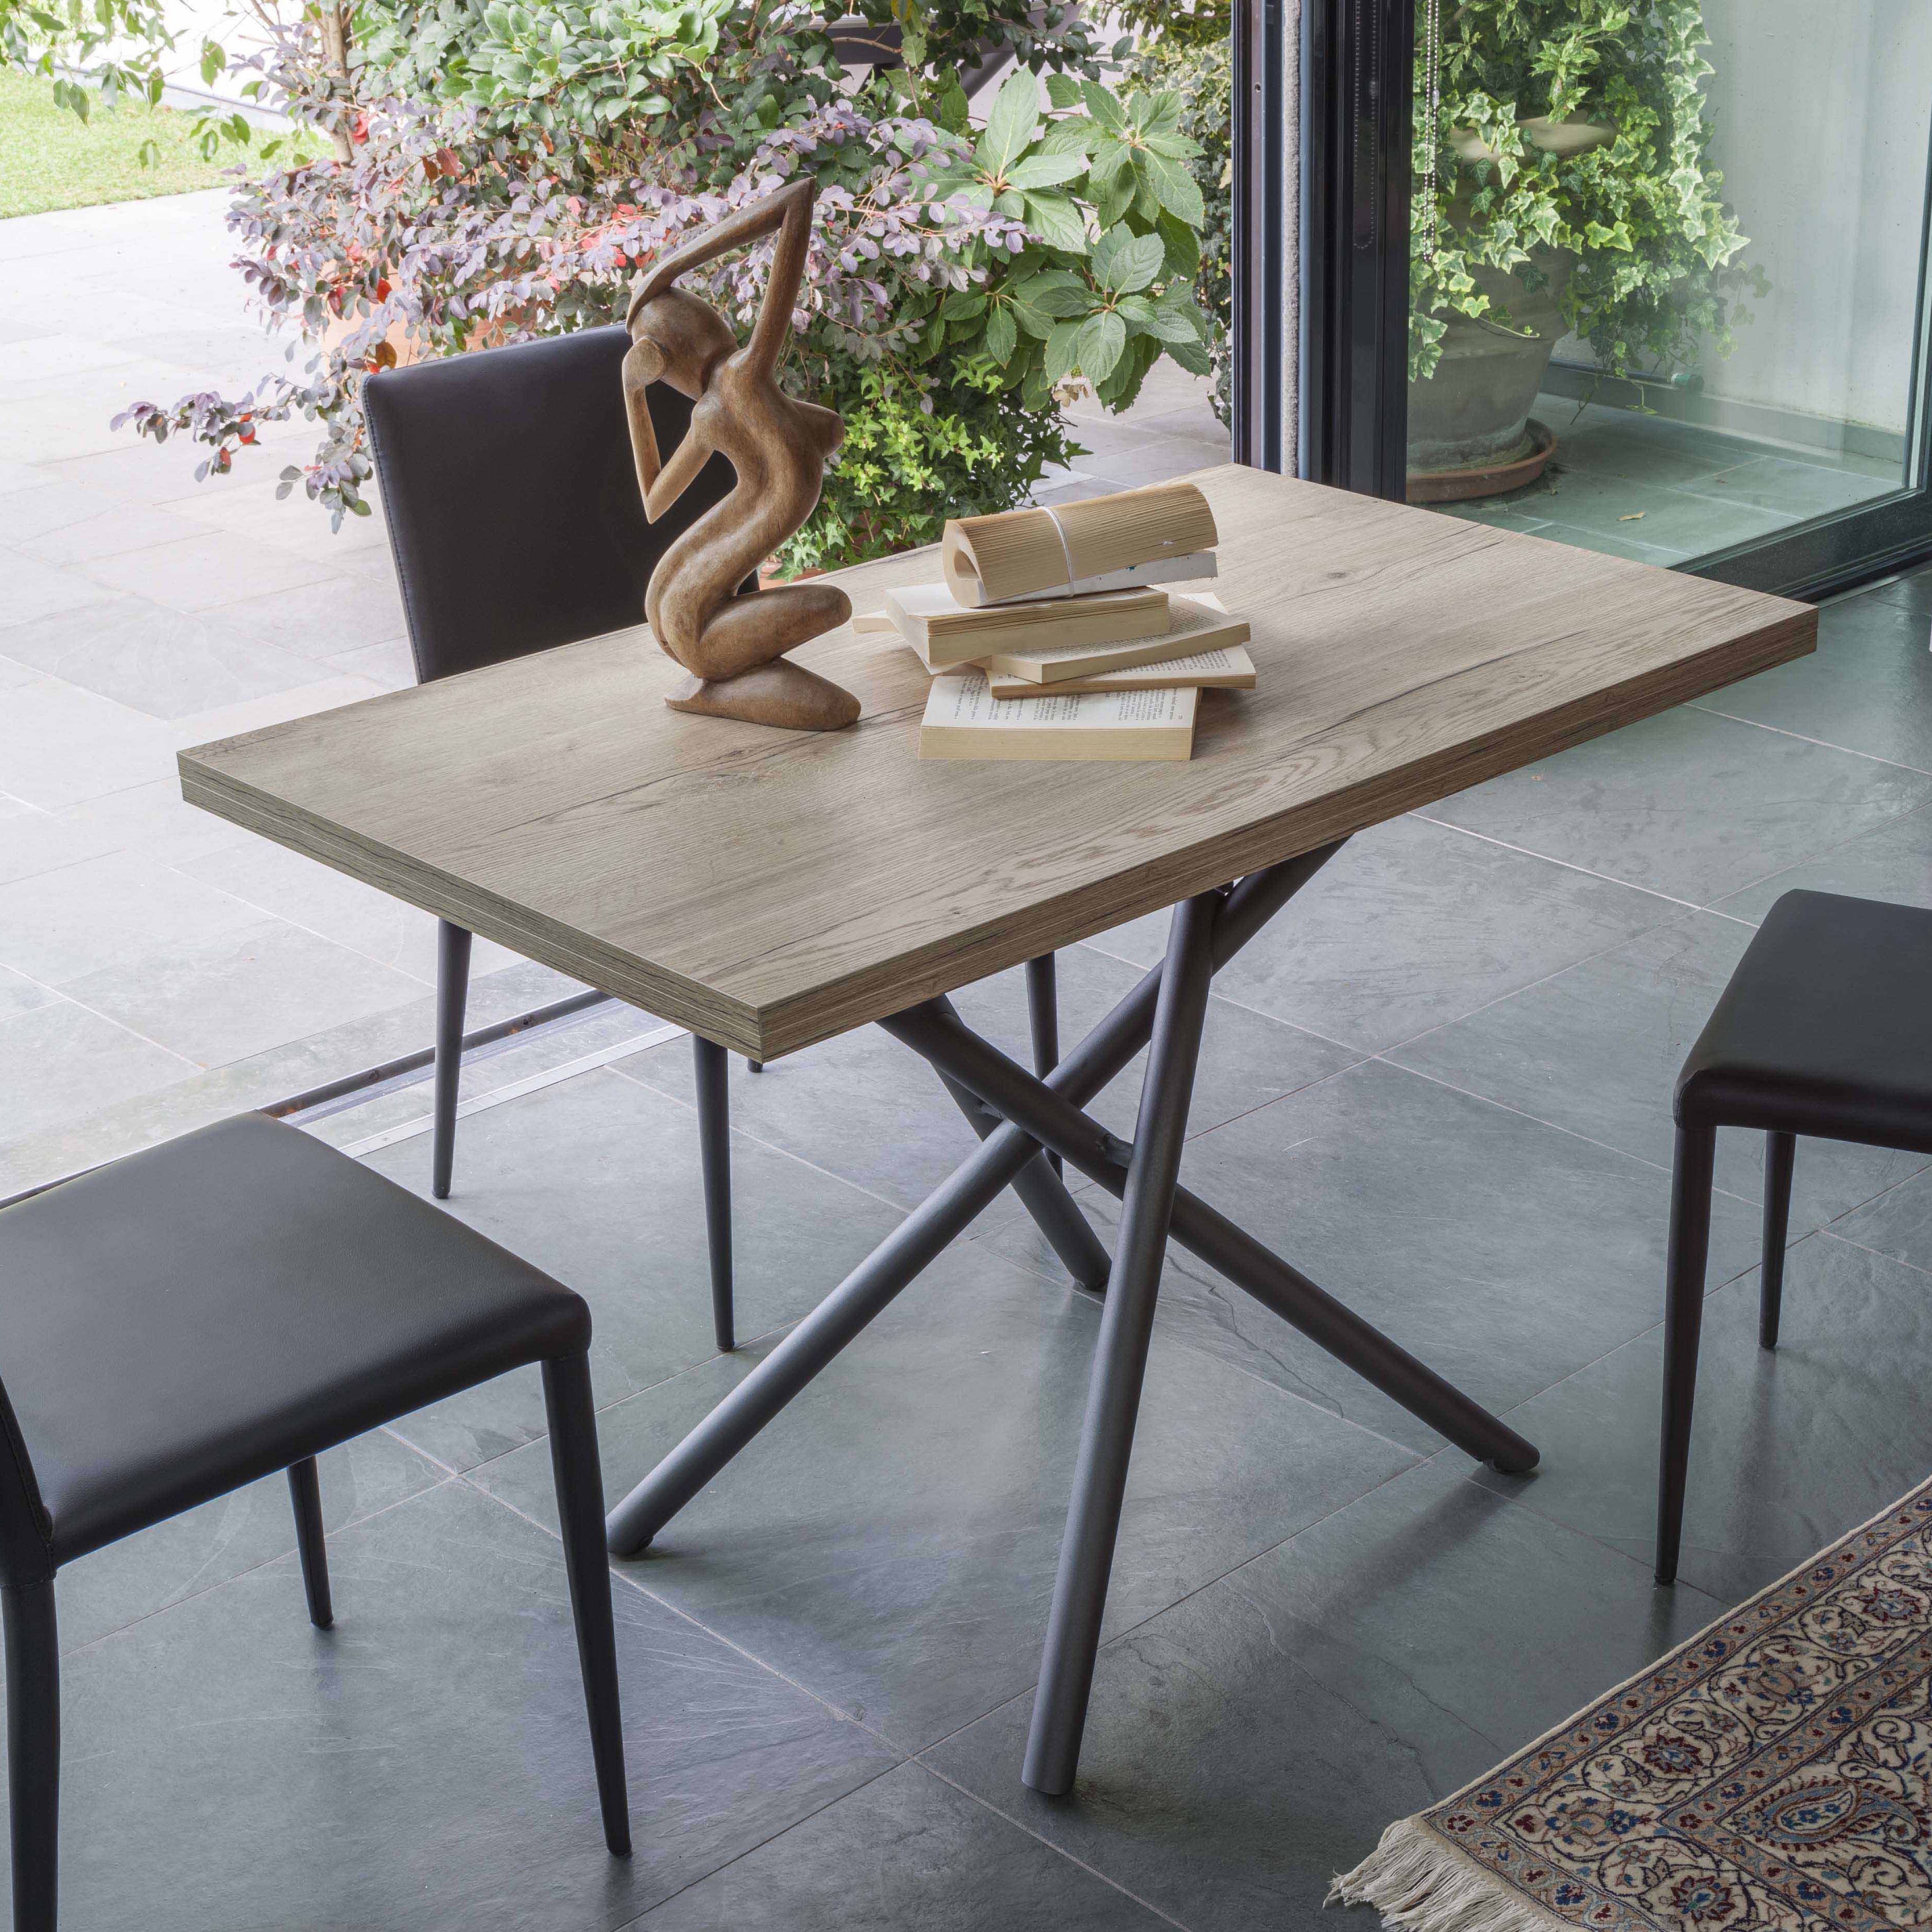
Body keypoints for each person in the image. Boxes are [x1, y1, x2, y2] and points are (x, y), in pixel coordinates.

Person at [623, 176, 861, 730]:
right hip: (696, 634)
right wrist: (669, 269)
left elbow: (794, 202)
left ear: (659, 361)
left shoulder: (736, 394)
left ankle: (715, 691)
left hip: (679, 621)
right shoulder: (736, 386)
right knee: (834, 610)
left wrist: (635, 395)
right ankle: (716, 691)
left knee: (832, 700)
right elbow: (795, 201)